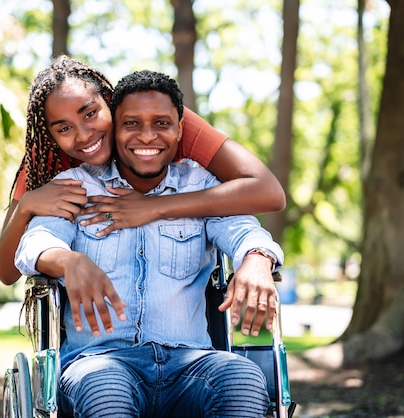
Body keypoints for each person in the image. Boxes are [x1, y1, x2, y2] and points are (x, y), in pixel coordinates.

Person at [15, 70, 284, 417]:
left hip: (191, 364)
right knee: (104, 388)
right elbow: (36, 240)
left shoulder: (198, 185)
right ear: (114, 126)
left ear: (180, 130)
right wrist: (67, 261)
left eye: (161, 123)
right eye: (131, 123)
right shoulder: (76, 187)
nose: (147, 136)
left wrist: (258, 258)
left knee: (243, 377)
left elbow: (244, 229)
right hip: (100, 362)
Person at [0, 55, 285, 285]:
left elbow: (268, 192)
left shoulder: (164, 124)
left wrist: (155, 207)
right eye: (65, 128)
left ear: (111, 103)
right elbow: (7, 273)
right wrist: (26, 207)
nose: (83, 135)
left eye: (90, 114)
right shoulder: (47, 156)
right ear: (51, 134)